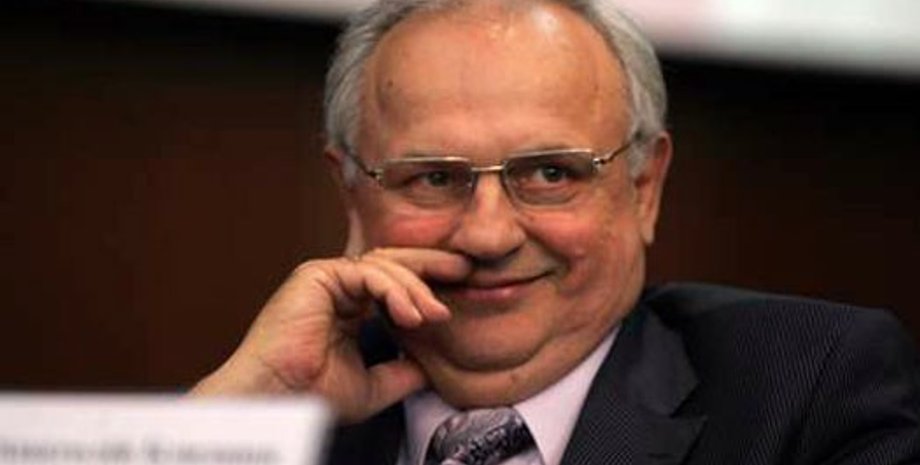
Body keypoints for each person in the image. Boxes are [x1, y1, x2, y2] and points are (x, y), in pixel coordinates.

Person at [192, 0, 920, 463]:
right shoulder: (279, 410)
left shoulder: (811, 392)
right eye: (435, 178)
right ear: (352, 196)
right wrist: (232, 420)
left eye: (550, 173)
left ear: (643, 188)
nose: (488, 235)